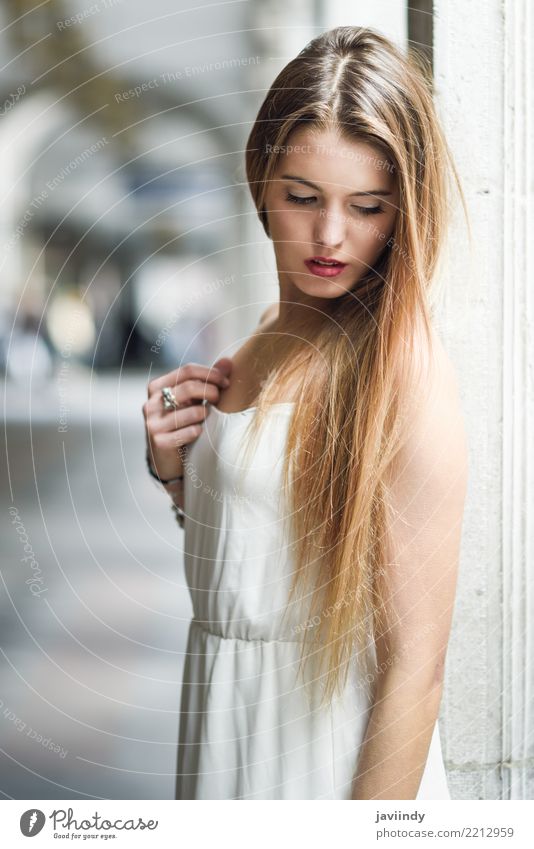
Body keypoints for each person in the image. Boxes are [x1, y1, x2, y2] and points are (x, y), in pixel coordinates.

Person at [142, 25, 469, 800]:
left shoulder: (401, 372)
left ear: (404, 210)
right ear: (260, 179)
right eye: (303, 197)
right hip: (227, 727)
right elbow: (270, 552)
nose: (330, 236)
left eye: (366, 206)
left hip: (326, 755)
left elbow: (414, 672)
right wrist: (174, 473)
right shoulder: (263, 336)